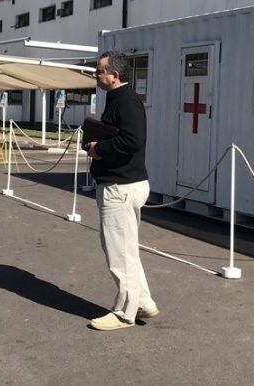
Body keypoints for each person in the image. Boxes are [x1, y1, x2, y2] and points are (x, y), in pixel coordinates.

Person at [84, 51, 158, 331]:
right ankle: (144, 302)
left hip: (120, 187)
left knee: (119, 252)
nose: (96, 74)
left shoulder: (126, 101)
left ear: (114, 75)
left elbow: (132, 141)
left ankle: (125, 313)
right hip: (123, 184)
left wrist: (98, 148)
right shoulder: (121, 99)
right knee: (125, 249)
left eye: (100, 70)